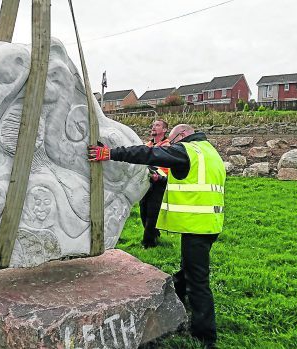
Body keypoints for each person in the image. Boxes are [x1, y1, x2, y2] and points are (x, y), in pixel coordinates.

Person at [88, 124, 225, 348]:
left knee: (198, 281)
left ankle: (205, 335)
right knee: (188, 269)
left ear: (182, 136)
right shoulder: (209, 151)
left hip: (197, 225)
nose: (171, 146)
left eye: (173, 141)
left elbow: (147, 153)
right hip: (210, 223)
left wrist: (110, 153)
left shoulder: (186, 150)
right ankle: (175, 303)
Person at [139, 119, 170, 248]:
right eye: (152, 125)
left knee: (152, 214)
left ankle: (148, 243)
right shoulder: (148, 145)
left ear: (164, 130)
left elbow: (168, 169)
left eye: (157, 125)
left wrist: (160, 178)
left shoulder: (168, 146)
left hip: (159, 183)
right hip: (146, 182)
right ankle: (154, 235)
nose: (153, 127)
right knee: (143, 211)